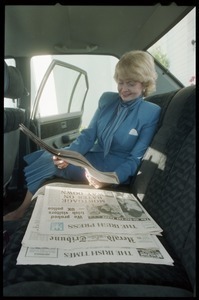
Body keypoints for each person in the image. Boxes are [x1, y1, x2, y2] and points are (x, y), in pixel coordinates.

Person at [3, 50, 161, 221]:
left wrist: (110, 178)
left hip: (113, 168)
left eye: (130, 84)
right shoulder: (107, 100)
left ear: (144, 84)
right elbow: (87, 136)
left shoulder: (150, 112)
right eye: (120, 82)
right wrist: (67, 155)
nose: (123, 89)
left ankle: (20, 212)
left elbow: (135, 158)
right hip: (91, 157)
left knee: (52, 165)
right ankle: (24, 209)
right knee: (51, 157)